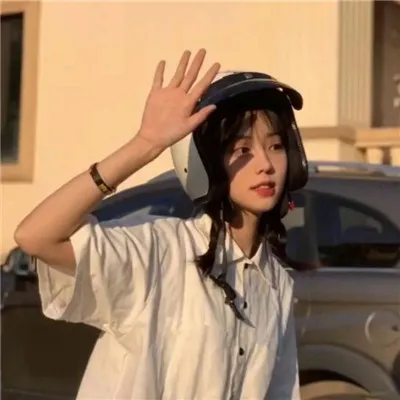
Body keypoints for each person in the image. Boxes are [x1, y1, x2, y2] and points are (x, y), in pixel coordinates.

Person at [14, 48, 310, 400]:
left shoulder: (276, 283)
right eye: (242, 150)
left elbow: (279, 392)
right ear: (206, 162)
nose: (266, 164)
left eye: (275, 146)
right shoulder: (158, 252)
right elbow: (35, 236)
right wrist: (145, 145)